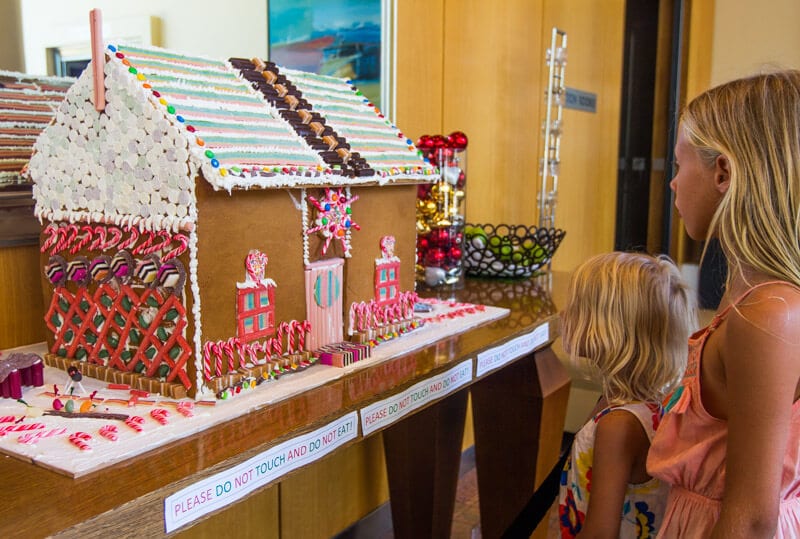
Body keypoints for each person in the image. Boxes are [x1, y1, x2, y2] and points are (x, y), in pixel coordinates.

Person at [647, 69, 800, 538]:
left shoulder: (768, 314)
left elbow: (751, 521)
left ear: (723, 173)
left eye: (679, 165)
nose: (673, 184)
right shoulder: (749, 296)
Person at [558, 251, 697, 538]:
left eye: (576, 307)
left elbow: (600, 533)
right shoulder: (632, 405)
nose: (563, 314)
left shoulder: (618, 425)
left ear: (611, 330)